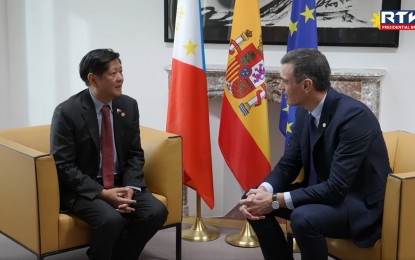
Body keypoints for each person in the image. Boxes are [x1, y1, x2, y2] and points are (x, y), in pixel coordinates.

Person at [239, 48, 391, 260]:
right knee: (251, 200)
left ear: (306, 85)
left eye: (284, 81)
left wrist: (274, 200)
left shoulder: (354, 118)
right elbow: (288, 165)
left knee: (303, 218)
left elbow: (337, 188)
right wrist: (262, 191)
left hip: (357, 205)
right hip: (324, 195)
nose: (280, 87)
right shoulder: (304, 112)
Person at [50, 48, 168, 260]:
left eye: (121, 71)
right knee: (110, 220)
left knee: (156, 212)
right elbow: (63, 166)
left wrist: (131, 188)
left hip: (121, 182)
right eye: (113, 73)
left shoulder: (128, 105)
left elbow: (134, 153)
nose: (120, 78)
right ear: (93, 79)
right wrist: (103, 194)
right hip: (85, 188)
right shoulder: (67, 112)